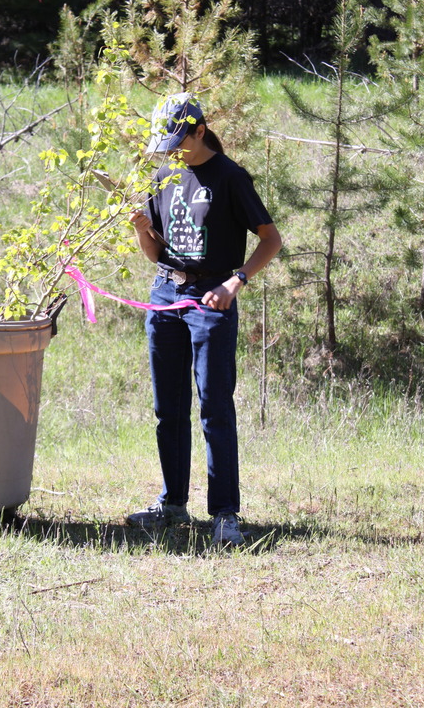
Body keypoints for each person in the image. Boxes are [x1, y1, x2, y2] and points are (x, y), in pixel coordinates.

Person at [127, 92, 282, 545]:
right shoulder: (165, 174)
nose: (173, 150)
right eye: (167, 143)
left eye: (181, 140)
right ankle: (173, 503)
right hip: (165, 295)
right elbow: (156, 250)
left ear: (200, 130)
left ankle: (225, 515)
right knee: (167, 407)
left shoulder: (230, 177)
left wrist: (235, 282)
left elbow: (271, 240)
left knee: (214, 406)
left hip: (212, 299)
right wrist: (141, 229)